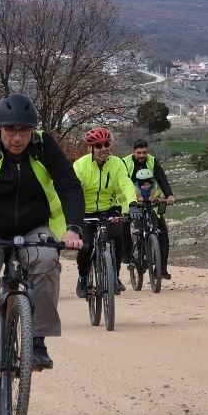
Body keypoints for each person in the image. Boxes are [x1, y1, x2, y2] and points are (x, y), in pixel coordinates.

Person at [0, 93, 85, 384]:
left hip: (34, 227)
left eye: (24, 130)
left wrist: (73, 228)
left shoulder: (44, 146)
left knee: (47, 262)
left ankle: (37, 343)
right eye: (10, 130)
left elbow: (69, 186)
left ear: (33, 130)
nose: (17, 137)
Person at [72, 126, 136, 298]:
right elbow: (73, 190)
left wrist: (133, 203)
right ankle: (83, 277)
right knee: (86, 247)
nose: (103, 149)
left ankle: (114, 275)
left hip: (109, 209)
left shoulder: (117, 163)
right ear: (90, 148)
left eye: (106, 144)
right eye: (98, 146)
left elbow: (125, 183)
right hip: (86, 211)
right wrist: (73, 213)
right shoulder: (80, 165)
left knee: (117, 237)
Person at [125, 138, 176, 277]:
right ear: (133, 152)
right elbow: (121, 183)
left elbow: (161, 179)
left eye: (144, 152)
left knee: (163, 232)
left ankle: (161, 269)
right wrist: (132, 201)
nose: (142, 155)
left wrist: (169, 195)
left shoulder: (152, 161)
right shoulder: (125, 163)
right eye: (138, 152)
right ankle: (129, 257)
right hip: (130, 202)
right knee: (123, 227)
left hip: (150, 202)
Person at [128, 168, 171, 279]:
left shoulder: (154, 188)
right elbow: (132, 197)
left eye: (148, 184)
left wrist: (158, 199)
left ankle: (155, 229)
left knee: (154, 214)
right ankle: (137, 229)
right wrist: (137, 200)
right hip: (140, 208)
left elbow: (158, 195)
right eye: (143, 185)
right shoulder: (134, 189)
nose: (146, 186)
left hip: (150, 207)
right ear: (139, 183)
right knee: (138, 216)